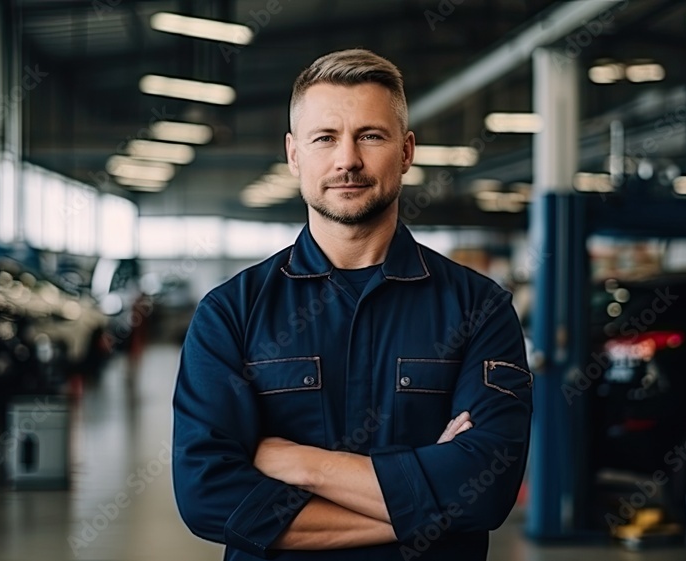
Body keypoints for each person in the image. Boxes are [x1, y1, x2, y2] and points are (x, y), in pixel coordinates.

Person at [172, 48, 533, 561]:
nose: (348, 160)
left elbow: (486, 491)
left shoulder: (481, 309)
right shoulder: (230, 313)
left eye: (371, 135)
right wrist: (432, 507)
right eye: (325, 138)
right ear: (294, 154)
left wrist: (302, 464)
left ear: (406, 151)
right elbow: (208, 498)